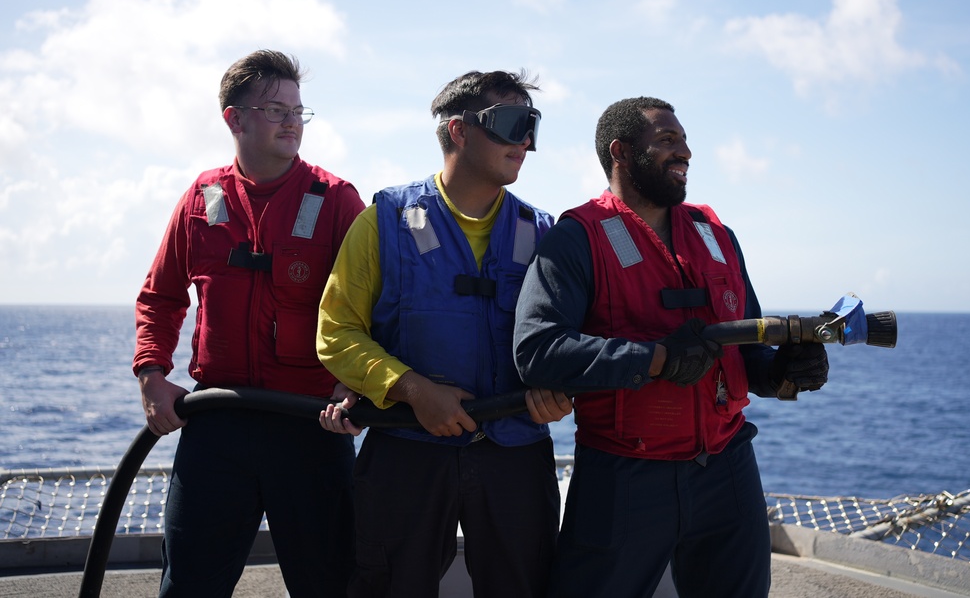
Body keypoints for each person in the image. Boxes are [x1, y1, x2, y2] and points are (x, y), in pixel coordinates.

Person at [513, 97, 830, 598]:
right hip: (624, 475)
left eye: (683, 140)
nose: (684, 152)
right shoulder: (578, 239)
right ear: (620, 152)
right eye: (667, 141)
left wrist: (784, 372)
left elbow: (746, 351)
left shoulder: (716, 235)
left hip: (726, 468)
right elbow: (537, 350)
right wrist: (655, 358)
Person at [316, 70, 573, 598]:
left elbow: (569, 338)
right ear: (458, 131)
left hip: (516, 452)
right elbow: (336, 331)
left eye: (532, 126)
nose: (524, 140)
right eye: (511, 123)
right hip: (406, 452)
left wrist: (559, 390)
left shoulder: (545, 233)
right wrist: (414, 390)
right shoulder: (383, 221)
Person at [132, 50, 365, 598]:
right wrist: (151, 373)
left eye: (299, 111)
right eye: (276, 108)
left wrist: (355, 383)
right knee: (189, 586)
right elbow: (161, 296)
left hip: (310, 424)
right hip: (218, 423)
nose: (291, 121)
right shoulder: (201, 198)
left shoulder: (335, 201)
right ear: (234, 119)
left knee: (330, 585)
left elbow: (374, 308)